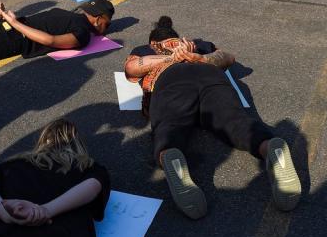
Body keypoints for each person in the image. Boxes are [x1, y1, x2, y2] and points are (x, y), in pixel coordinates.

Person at [123, 16, 301, 219]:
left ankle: (171, 156)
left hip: (171, 80)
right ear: (176, 35)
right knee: (235, 122)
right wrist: (200, 57)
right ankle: (269, 147)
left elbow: (133, 67)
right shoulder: (199, 44)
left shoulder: (146, 49)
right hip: (208, 74)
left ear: (152, 42)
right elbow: (228, 57)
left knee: (169, 127)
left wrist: (171, 58)